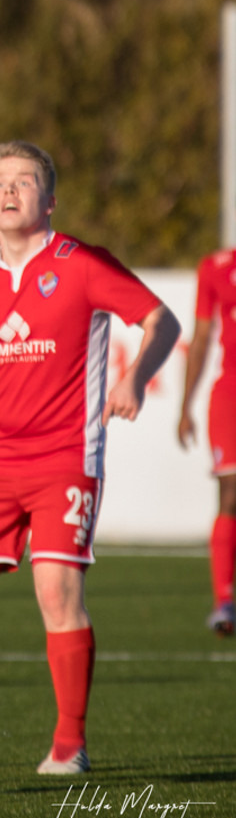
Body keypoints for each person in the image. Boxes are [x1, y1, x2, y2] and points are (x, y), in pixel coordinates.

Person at [0, 141, 181, 774]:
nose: (9, 191)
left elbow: (162, 321)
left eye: (25, 181)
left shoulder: (82, 264)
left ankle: (69, 742)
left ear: (50, 200)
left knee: (56, 588)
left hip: (66, 456)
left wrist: (136, 377)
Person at [178, 249, 236, 636]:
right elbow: (200, 338)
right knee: (230, 492)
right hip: (231, 394)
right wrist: (186, 406)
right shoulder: (216, 268)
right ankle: (224, 601)